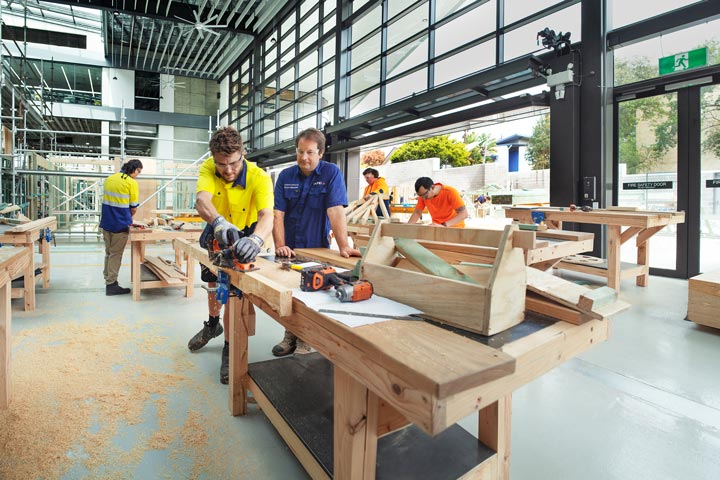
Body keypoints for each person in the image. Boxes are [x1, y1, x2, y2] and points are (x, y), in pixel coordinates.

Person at [187, 126, 274, 384]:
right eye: (221, 164)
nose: (227, 170)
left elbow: (267, 216)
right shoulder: (208, 168)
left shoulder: (259, 177)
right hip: (218, 227)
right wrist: (219, 223)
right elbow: (202, 200)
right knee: (212, 282)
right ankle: (213, 323)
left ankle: (229, 345)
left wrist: (257, 239)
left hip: (245, 233)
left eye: (233, 163)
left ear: (243, 154)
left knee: (235, 293)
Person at [272, 128, 361, 356]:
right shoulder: (286, 176)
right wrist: (280, 245)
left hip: (317, 245)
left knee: (311, 292)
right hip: (288, 247)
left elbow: (335, 210)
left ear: (321, 153)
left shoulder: (331, 174)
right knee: (289, 291)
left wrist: (343, 247)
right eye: (300, 152)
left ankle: (306, 339)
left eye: (310, 152)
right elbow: (278, 214)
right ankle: (289, 335)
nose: (304, 158)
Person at [100, 159, 143, 296]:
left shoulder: (110, 179)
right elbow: (133, 208)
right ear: (134, 169)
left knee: (109, 252)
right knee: (116, 254)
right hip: (120, 224)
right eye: (139, 172)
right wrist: (128, 217)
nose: (138, 175)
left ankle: (108, 279)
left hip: (106, 222)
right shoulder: (131, 183)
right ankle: (111, 285)